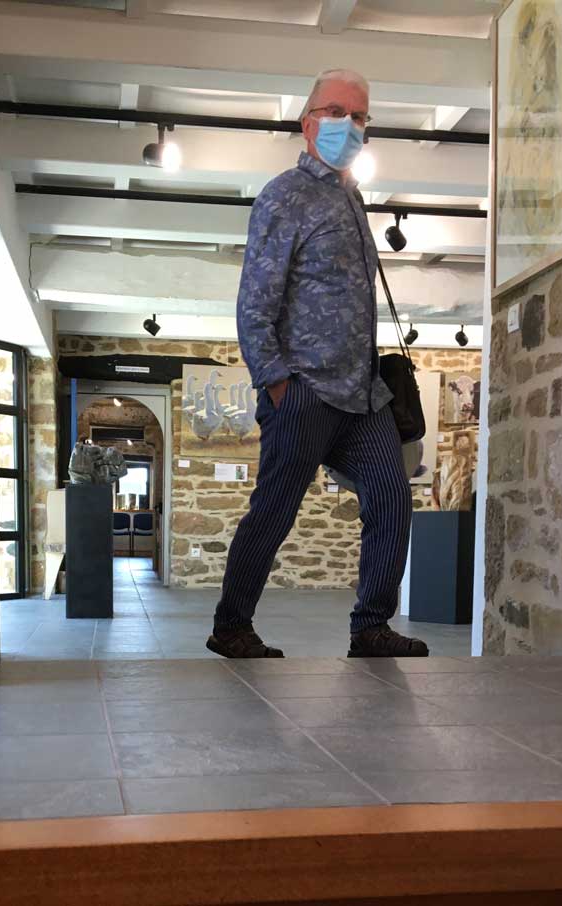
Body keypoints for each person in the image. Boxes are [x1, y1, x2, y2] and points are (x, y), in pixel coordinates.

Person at [206, 69, 429, 660]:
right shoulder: (285, 196)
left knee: (392, 498)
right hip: (304, 389)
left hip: (363, 396)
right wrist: (277, 382)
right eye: (336, 112)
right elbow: (255, 301)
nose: (348, 125)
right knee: (274, 511)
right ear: (307, 123)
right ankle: (231, 626)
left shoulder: (352, 197)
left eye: (359, 116)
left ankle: (370, 626)